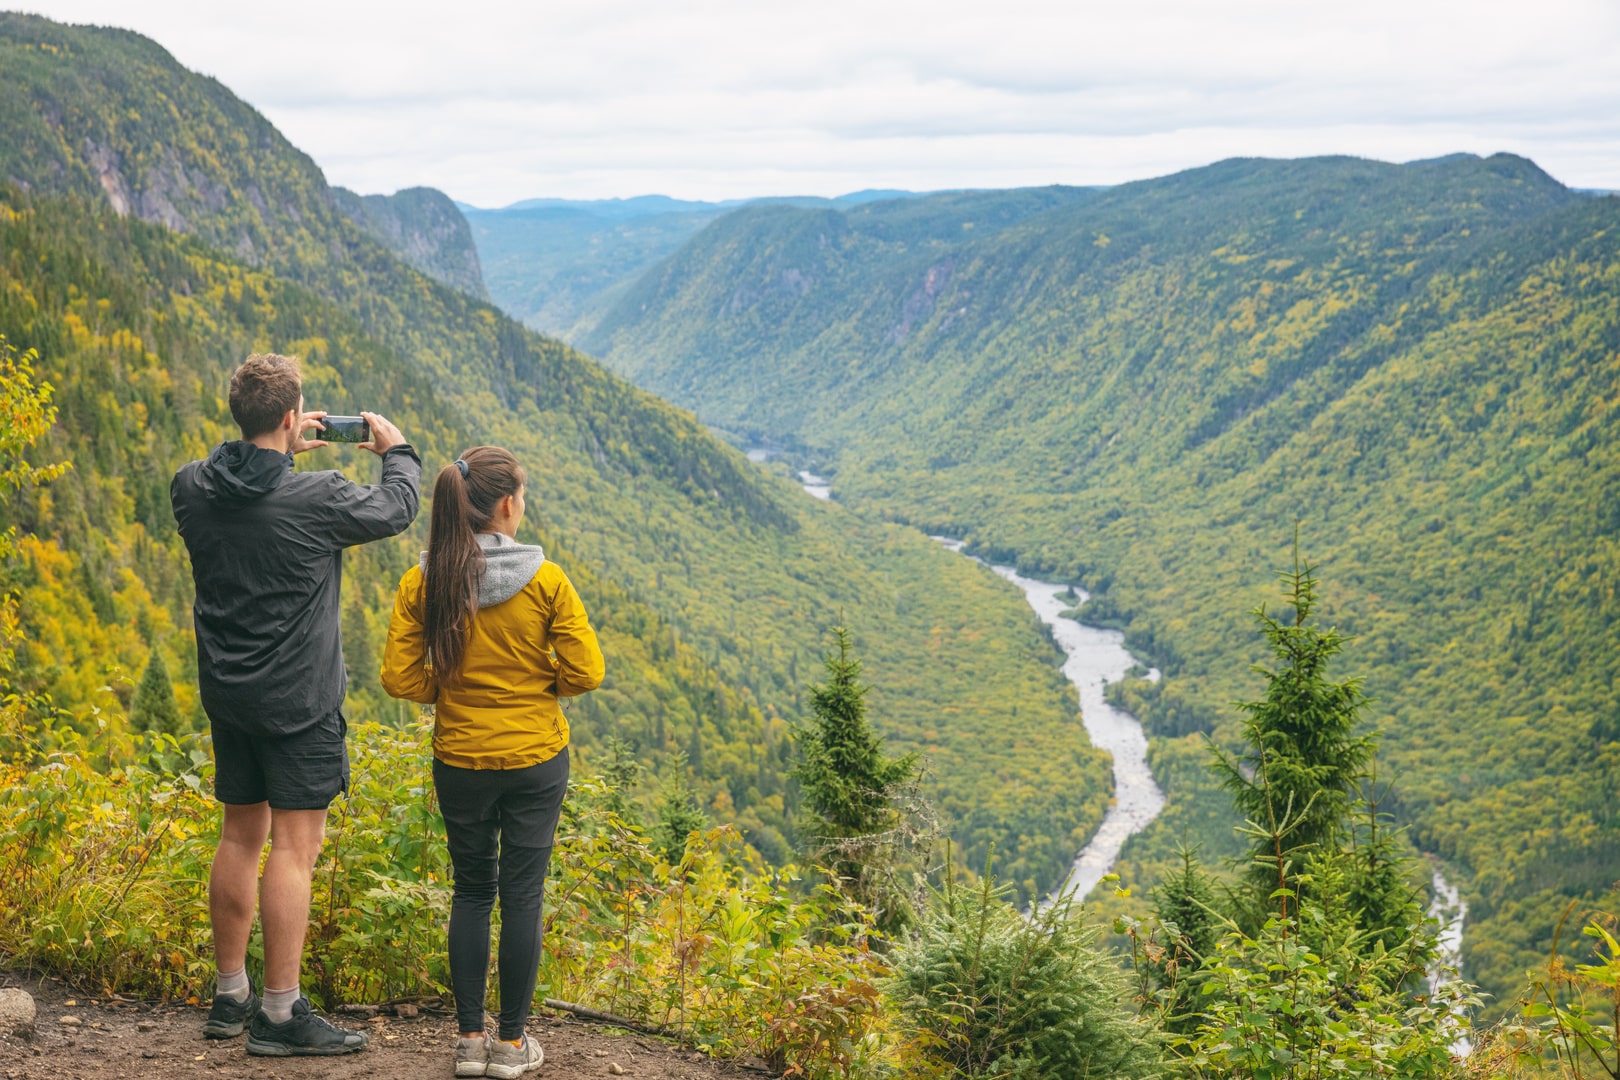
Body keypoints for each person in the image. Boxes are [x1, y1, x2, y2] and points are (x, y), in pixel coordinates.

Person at [171, 353, 421, 1056]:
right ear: (292, 417)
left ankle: (231, 996)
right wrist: (397, 449)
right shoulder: (317, 501)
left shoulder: (189, 489)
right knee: (295, 849)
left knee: (238, 836)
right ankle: (279, 1016)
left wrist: (277, 454)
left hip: (229, 696)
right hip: (299, 705)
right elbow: (396, 507)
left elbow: (234, 481)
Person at [382, 446, 603, 1080]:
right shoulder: (548, 581)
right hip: (535, 758)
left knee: (472, 891)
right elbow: (587, 671)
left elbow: (399, 677)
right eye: (523, 496)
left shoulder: (425, 581)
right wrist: (538, 688)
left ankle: (470, 1042)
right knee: (522, 896)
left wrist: (449, 691)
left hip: (461, 760)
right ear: (507, 505)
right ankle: (511, 1047)